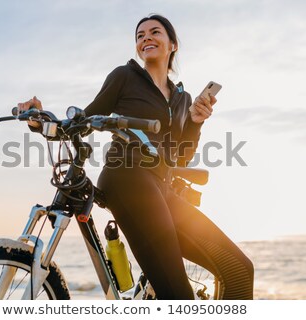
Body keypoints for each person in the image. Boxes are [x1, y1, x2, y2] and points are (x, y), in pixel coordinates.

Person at [18, 14, 254, 300]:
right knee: (178, 296)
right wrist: (39, 120)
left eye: (154, 32)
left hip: (165, 190)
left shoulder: (183, 99)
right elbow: (83, 120)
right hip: (128, 179)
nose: (146, 38)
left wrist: (194, 121)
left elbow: (181, 155)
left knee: (240, 269)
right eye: (140, 36)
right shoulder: (124, 77)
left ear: (173, 44)